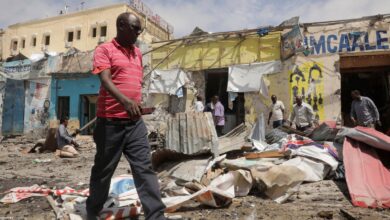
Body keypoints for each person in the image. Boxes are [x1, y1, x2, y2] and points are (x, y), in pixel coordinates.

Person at [86, 12, 165, 220]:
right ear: (121, 26)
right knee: (104, 171)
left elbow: (133, 83)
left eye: (140, 29)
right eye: (135, 28)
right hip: (110, 122)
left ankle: (156, 215)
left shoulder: (137, 53)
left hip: (134, 123)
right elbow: (106, 80)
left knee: (144, 168)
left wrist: (135, 103)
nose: (139, 33)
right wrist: (125, 101)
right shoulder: (104, 50)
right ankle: (93, 210)